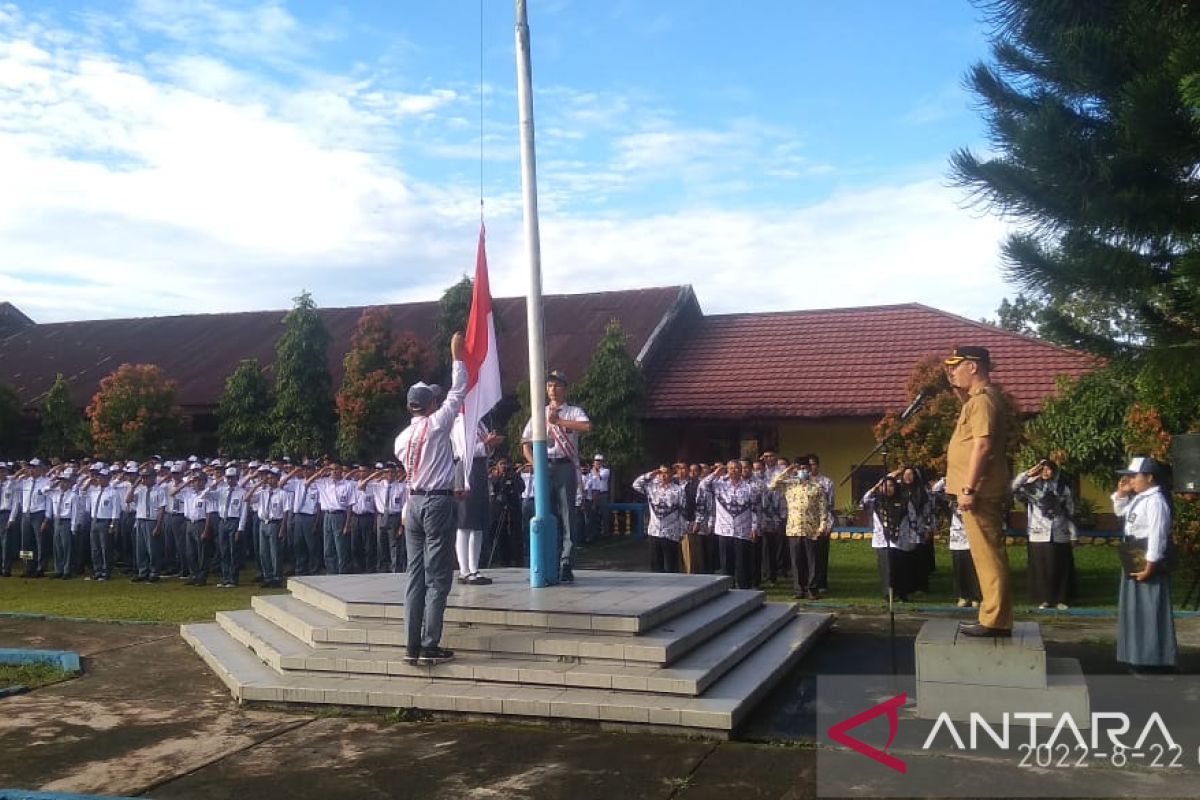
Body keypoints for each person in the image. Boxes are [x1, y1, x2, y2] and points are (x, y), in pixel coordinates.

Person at [395, 331, 466, 666]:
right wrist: (457, 357)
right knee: (438, 578)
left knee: (414, 576)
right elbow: (459, 390)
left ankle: (411, 644)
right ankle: (428, 644)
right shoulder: (437, 424)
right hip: (437, 502)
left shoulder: (401, 438)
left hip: (413, 502)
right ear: (430, 404)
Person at [944, 345, 1013, 637]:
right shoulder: (977, 400)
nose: (952, 371)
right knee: (985, 555)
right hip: (979, 491)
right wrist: (956, 389)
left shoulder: (983, 402)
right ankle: (993, 615)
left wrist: (969, 488)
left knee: (988, 555)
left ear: (973, 366)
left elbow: (982, 446)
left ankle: (995, 619)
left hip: (980, 492)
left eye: (956, 366)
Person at [521, 369, 592, 584]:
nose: (553, 389)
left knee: (567, 514)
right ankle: (545, 560)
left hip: (564, 466)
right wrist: (536, 464)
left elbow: (587, 426)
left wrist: (560, 421)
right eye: (550, 385)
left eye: (557, 385)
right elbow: (525, 444)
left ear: (565, 388)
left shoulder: (572, 411)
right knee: (543, 512)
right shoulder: (539, 413)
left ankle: (566, 561)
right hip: (545, 467)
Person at [1112, 457, 1178, 673]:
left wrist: (1150, 563)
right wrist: (1121, 494)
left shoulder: (1156, 501)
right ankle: (1136, 654)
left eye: (1134, 476)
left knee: (1149, 608)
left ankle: (1153, 659)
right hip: (1133, 555)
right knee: (1134, 609)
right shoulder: (1140, 498)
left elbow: (1157, 534)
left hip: (1146, 557)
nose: (1130, 480)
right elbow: (1123, 514)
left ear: (1150, 477)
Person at [1012, 458, 1077, 610]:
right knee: (1042, 568)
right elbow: (1014, 488)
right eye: (1042, 469)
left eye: (1048, 469)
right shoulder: (1030, 487)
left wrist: (1073, 533)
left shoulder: (1062, 488)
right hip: (1038, 533)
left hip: (1059, 532)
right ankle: (1046, 599)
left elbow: (1070, 511)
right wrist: (1028, 473)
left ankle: (1061, 599)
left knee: (1060, 567)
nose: (1045, 472)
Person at [769, 461, 830, 599]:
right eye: (800, 468)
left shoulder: (817, 487)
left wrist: (822, 526)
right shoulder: (789, 485)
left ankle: (811, 589)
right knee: (796, 561)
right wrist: (787, 471)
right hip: (794, 529)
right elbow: (772, 485)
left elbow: (823, 508)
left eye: (805, 468)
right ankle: (798, 589)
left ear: (809, 471)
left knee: (811, 561)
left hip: (811, 529)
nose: (802, 471)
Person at [452, 417, 502, 585]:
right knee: (465, 521)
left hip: (480, 468)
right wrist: (486, 443)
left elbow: (485, 450)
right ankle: (464, 570)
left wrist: (490, 445)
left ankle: (474, 568)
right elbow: (464, 451)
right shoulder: (460, 423)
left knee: (478, 522)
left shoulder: (479, 423)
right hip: (467, 469)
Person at [697, 461, 761, 589]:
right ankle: (727, 588)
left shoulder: (750, 487)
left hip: (743, 529)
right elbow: (703, 485)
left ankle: (744, 588)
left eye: (737, 468)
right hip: (724, 530)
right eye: (731, 468)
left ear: (741, 470)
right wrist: (715, 473)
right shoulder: (719, 484)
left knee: (742, 562)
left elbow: (755, 508)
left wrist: (755, 527)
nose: (734, 471)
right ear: (727, 469)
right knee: (726, 563)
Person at [861, 471, 921, 603]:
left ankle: (902, 593)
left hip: (901, 540)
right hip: (882, 541)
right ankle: (888, 594)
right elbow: (864, 501)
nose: (888, 489)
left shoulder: (904, 501)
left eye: (891, 486)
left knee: (901, 567)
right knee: (887, 568)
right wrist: (876, 486)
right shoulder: (876, 501)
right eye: (885, 486)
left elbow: (913, 519)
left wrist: (914, 537)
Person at [931, 477, 980, 608]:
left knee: (973, 570)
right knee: (959, 571)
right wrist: (946, 478)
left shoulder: (972, 501)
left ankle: (976, 597)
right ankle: (963, 596)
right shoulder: (950, 504)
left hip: (971, 540)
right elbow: (935, 491)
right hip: (957, 541)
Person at [632, 465, 686, 572]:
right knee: (656, 564)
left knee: (671, 565)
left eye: (666, 473)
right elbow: (636, 484)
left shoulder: (678, 490)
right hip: (654, 531)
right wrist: (650, 474)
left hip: (671, 532)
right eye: (661, 473)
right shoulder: (651, 487)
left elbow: (683, 511)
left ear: (671, 474)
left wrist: (682, 531)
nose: (663, 476)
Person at [306, 463, 355, 575]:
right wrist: (321, 471)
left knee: (341, 546)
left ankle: (342, 572)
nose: (334, 471)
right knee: (328, 547)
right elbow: (308, 483)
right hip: (327, 515)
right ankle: (331, 571)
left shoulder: (347, 484)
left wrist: (347, 524)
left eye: (336, 469)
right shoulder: (324, 482)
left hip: (340, 515)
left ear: (341, 470)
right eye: (331, 469)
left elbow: (349, 506)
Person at [125, 470, 167, 583]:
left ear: (153, 477)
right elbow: (128, 500)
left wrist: (158, 526)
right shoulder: (140, 490)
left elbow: (162, 509)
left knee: (153, 548)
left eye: (146, 477)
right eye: (142, 478)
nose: (143, 480)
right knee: (141, 548)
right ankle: (143, 571)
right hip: (140, 520)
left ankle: (154, 572)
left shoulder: (159, 490)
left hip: (151, 520)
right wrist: (134, 486)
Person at [807, 454, 835, 593]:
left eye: (813, 464)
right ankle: (809, 582)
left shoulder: (826, 482)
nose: (811, 467)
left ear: (817, 465)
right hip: (806, 524)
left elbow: (830, 505)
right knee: (808, 555)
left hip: (822, 522)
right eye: (808, 465)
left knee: (821, 554)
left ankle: (821, 582)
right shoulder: (801, 482)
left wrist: (827, 525)